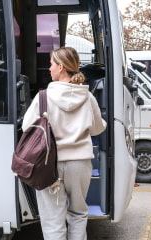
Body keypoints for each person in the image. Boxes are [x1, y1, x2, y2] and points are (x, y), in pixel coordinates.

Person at [22, 47, 107, 240]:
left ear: (60, 67)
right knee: (78, 214)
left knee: (53, 219)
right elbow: (96, 129)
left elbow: (27, 127)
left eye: (51, 64)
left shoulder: (43, 97)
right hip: (80, 164)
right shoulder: (87, 97)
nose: (49, 69)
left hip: (49, 165)